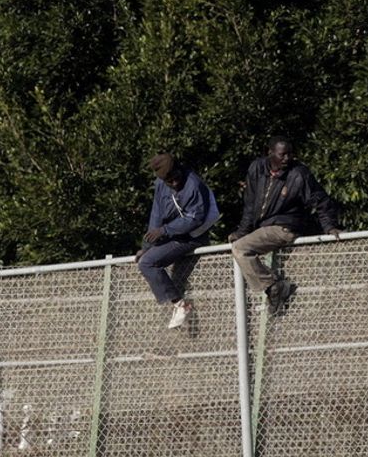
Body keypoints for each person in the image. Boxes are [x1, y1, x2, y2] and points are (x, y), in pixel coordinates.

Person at [227, 136, 341, 315]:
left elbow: (320, 200)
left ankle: (274, 286)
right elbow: (250, 205)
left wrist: (330, 227)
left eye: (290, 154)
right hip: (264, 227)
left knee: (240, 249)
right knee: (240, 243)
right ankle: (273, 288)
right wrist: (243, 231)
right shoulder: (257, 168)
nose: (287, 158)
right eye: (282, 155)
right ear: (269, 153)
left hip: (285, 226)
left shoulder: (299, 174)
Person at [137, 153, 219, 329]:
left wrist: (164, 231)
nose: (174, 183)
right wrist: (147, 246)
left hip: (193, 235)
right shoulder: (160, 185)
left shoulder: (193, 184)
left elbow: (194, 219)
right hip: (174, 234)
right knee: (146, 258)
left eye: (175, 178)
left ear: (179, 168)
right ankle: (179, 305)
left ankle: (181, 305)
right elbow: (156, 215)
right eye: (169, 181)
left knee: (148, 263)